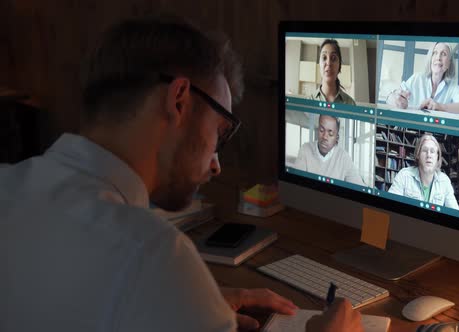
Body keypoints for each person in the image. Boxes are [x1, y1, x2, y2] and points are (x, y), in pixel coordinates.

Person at [0, 16, 362, 332]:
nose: (217, 164)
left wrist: (187, 305)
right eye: (220, 131)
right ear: (178, 101)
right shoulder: (154, 254)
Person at [385, 42, 459, 114]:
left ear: (449, 63)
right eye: (435, 53)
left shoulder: (452, 87)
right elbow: (391, 98)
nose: (438, 58)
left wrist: (440, 107)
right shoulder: (417, 78)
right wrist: (394, 98)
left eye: (443, 54)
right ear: (430, 59)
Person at [389, 134, 459, 209]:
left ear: (437, 157)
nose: (429, 155)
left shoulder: (444, 181)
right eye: (425, 150)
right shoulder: (404, 175)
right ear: (418, 155)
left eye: (432, 151)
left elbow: (455, 212)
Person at [294, 115, 365, 186]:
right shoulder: (305, 149)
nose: (324, 137)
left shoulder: (343, 158)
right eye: (321, 130)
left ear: (337, 138)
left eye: (330, 134)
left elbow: (359, 187)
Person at [310, 39, 356, 105]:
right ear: (319, 64)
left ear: (339, 66)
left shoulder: (350, 103)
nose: (328, 63)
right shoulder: (309, 101)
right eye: (324, 58)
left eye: (333, 58)